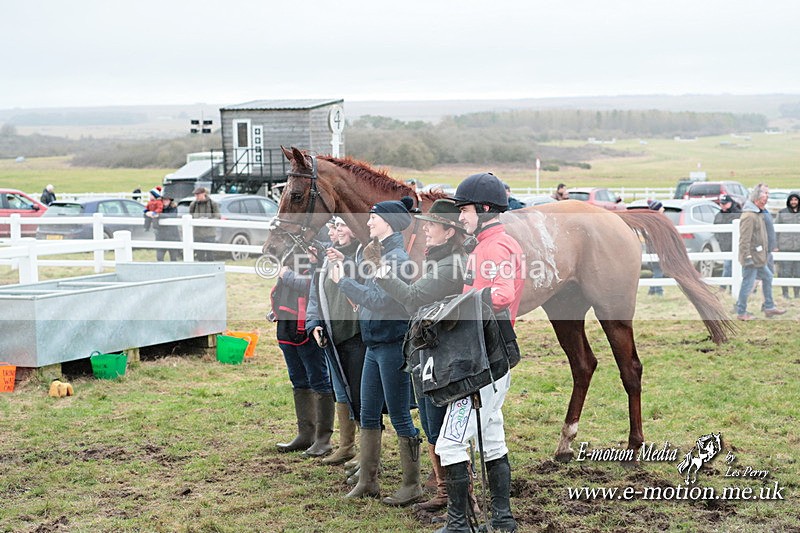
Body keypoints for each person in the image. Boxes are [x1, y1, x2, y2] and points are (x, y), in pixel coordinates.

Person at [436, 172, 523, 533]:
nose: (462, 218)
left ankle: (459, 524)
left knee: (450, 444)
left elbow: (501, 293)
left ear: (485, 209)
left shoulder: (493, 247)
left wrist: (460, 305)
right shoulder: (494, 243)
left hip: (483, 356)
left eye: (466, 210)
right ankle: (502, 519)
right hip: (491, 353)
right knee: (492, 436)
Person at [373, 199, 467, 513]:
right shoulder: (439, 259)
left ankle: (458, 499)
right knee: (429, 423)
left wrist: (384, 276)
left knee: (439, 425)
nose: (425, 229)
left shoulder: (450, 265)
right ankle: (444, 493)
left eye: (432, 225)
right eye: (425, 223)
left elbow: (413, 298)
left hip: (441, 354)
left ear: (450, 232)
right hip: (429, 352)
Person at [332, 196, 422, 506]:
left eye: (374, 218)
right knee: (368, 413)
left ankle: (412, 484)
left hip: (392, 345)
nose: (368, 222)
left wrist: (343, 282)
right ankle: (367, 479)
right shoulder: (380, 253)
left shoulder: (396, 258)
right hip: (374, 344)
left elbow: (381, 300)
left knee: (398, 416)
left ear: (389, 223)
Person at [306, 217, 367, 467]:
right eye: (336, 226)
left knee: (361, 394)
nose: (338, 231)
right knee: (341, 392)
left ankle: (367, 450)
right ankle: (346, 446)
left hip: (356, 336)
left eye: (343, 225)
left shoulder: (365, 256)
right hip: (331, 336)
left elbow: (367, 282)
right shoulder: (327, 260)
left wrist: (347, 263)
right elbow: (315, 296)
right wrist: (314, 324)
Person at [270, 256, 335, 458]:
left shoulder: (320, 253)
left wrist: (286, 275)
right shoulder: (292, 254)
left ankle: (323, 439)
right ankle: (305, 434)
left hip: (307, 326)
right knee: (297, 379)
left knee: (318, 379)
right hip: (287, 326)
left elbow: (310, 284)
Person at [736, 185, 786, 321]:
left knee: (768, 276)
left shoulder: (758, 213)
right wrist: (747, 256)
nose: (766, 200)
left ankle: (769, 307)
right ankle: (741, 311)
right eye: (765, 197)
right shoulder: (749, 216)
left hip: (760, 257)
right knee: (747, 283)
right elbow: (744, 240)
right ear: (757, 198)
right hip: (752, 258)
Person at [713, 195, 742, 291]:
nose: (723, 206)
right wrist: (719, 240)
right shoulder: (718, 215)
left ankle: (725, 287)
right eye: (721, 204)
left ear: (730, 203)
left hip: (736, 245)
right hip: (725, 245)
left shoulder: (738, 214)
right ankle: (726, 286)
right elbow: (716, 230)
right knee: (728, 266)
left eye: (725, 204)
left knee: (731, 266)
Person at [775, 191, 800, 299]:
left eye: (795, 199)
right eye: (792, 200)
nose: (793, 202)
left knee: (798, 272)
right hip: (785, 247)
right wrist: (775, 245)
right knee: (785, 272)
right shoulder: (782, 213)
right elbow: (775, 230)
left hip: (798, 247)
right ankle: (785, 294)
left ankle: (797, 294)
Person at [188, 187, 220, 261]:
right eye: (196, 195)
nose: (196, 196)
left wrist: (208, 221)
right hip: (197, 234)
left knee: (210, 255)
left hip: (209, 234)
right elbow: (190, 216)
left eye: (198, 194)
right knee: (200, 255)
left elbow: (217, 216)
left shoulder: (213, 204)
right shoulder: (193, 204)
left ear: (204, 194)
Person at [646, 200, 665, 296]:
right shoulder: (657, 222)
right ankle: (659, 291)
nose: (663, 209)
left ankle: (652, 290)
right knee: (658, 271)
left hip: (652, 251)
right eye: (661, 207)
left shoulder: (651, 221)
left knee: (657, 271)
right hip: (656, 251)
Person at [155, 195, 181, 261]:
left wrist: (159, 215)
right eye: (164, 199)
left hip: (172, 237)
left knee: (173, 258)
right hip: (161, 236)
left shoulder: (173, 208)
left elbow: (172, 215)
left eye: (167, 199)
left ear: (170, 200)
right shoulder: (158, 208)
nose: (165, 201)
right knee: (159, 257)